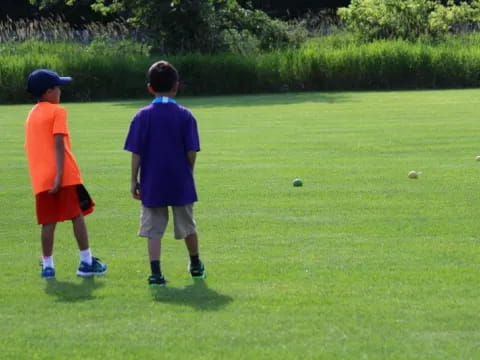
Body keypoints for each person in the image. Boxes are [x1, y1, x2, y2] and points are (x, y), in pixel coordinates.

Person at [124, 60, 206, 287]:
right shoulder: (185, 115)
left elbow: (136, 152)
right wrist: (188, 171)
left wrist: (134, 179)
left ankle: (156, 273)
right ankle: (196, 264)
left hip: (152, 180)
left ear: (150, 87)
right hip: (180, 178)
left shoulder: (141, 116)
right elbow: (191, 151)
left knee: (153, 229)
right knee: (187, 225)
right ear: (176, 86)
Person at [25, 69, 106, 279]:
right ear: (47, 92)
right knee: (76, 216)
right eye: (57, 87)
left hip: (41, 178)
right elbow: (59, 142)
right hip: (64, 175)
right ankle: (86, 262)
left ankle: (48, 266)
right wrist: (60, 175)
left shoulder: (31, 115)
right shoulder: (58, 111)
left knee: (48, 222)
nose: (60, 91)